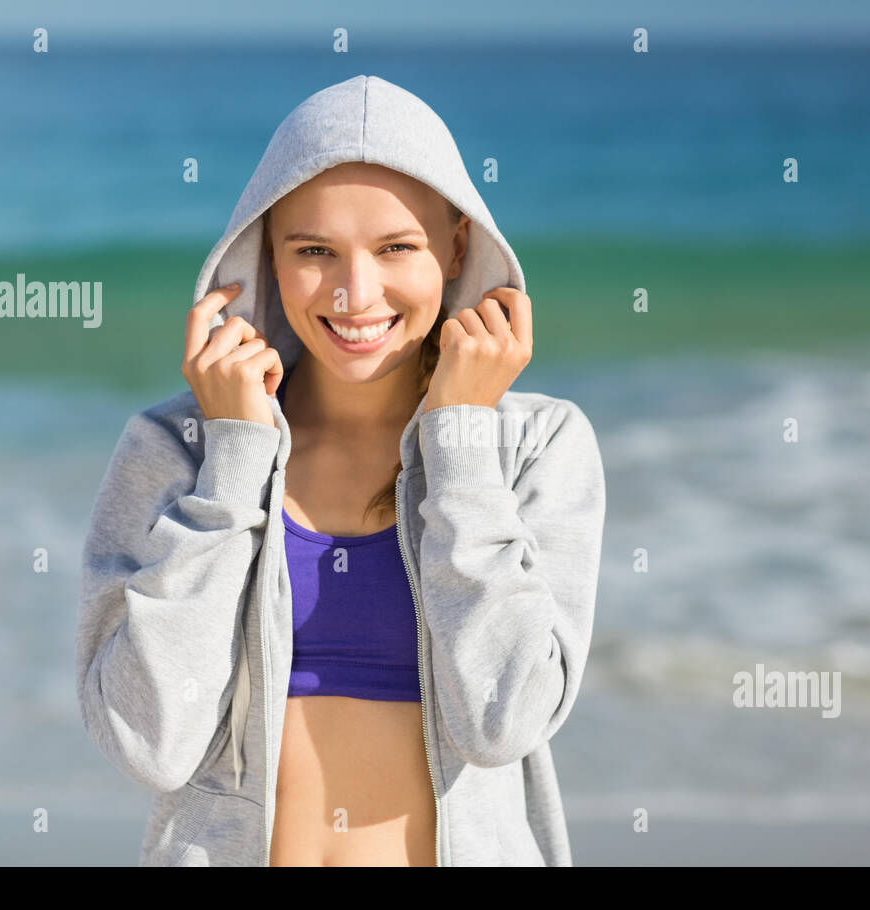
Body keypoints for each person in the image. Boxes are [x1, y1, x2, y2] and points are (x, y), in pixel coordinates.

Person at [75, 74, 606, 866]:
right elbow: (149, 742)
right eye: (314, 251)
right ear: (265, 258)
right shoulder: (177, 449)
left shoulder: (537, 446)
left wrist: (459, 441)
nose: (356, 294)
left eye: (396, 247)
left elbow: (507, 723)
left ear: (457, 245)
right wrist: (234, 463)